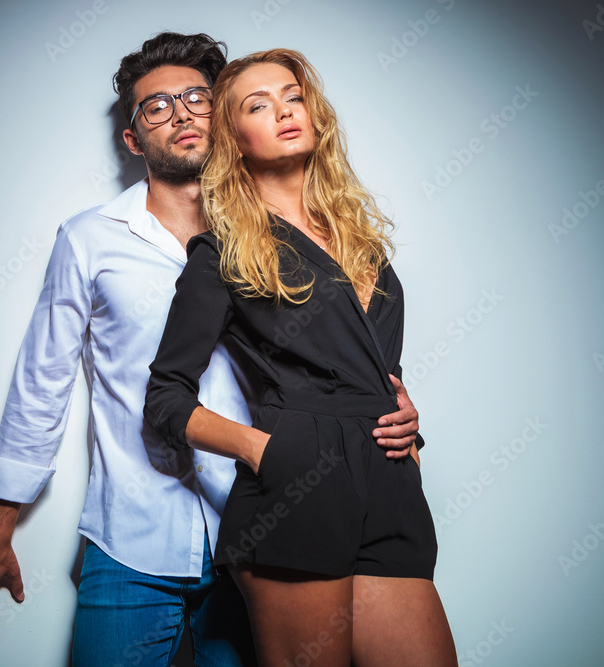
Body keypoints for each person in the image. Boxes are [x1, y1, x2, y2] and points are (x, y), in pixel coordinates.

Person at [0, 32, 259, 666]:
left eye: (196, 97)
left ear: (220, 114)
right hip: (128, 540)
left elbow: (325, 356)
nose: (182, 113)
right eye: (157, 105)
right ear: (134, 139)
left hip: (256, 533)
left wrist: (393, 401)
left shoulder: (272, 235)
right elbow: (42, 379)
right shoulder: (89, 239)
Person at [143, 48, 458, 666]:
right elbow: (166, 398)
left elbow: (370, 364)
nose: (285, 111)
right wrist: (265, 451)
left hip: (389, 480)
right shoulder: (223, 251)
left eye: (293, 97)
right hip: (296, 488)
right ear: (233, 138)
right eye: (258, 105)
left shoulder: (361, 239)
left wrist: (407, 419)